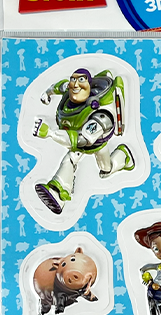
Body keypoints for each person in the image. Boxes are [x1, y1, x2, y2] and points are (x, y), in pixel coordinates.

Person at [32, 67, 134, 215]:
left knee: (106, 169)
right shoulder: (70, 92)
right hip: (77, 140)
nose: (75, 84)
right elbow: (58, 87)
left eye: (81, 80)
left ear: (89, 85)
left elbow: (82, 140)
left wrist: (50, 133)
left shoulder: (101, 115)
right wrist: (47, 94)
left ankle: (124, 157)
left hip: (95, 144)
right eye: (73, 79)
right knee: (69, 160)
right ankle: (59, 191)